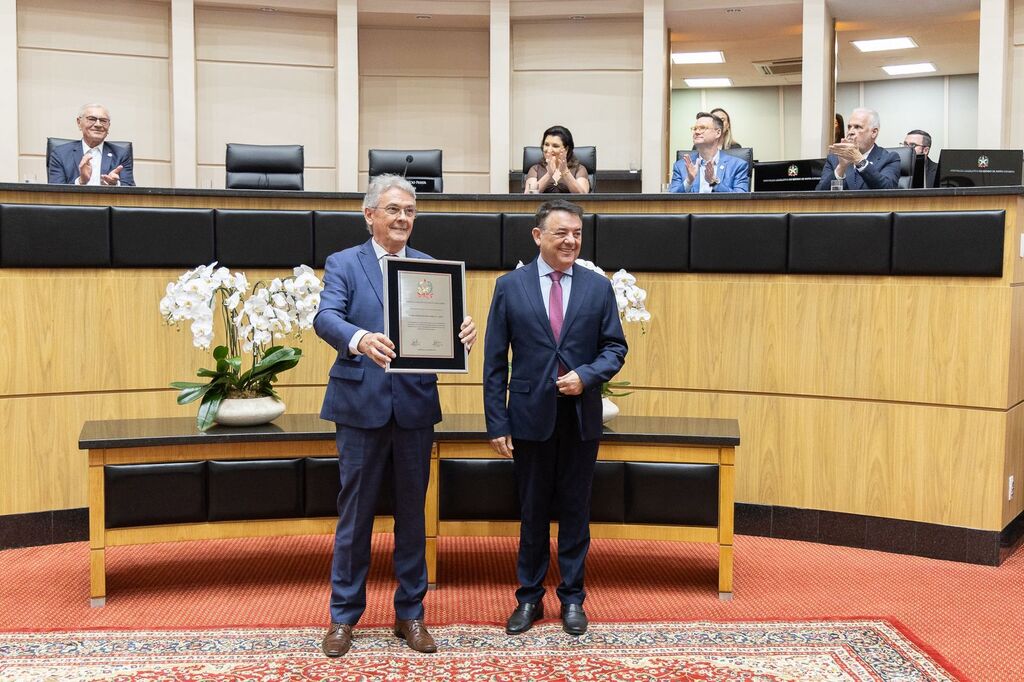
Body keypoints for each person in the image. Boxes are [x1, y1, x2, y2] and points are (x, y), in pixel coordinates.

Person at [315, 174, 477, 658]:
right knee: (355, 518)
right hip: (359, 405)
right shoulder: (344, 263)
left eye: (409, 210)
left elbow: (441, 332)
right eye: (393, 209)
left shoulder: (431, 268)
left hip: (414, 408)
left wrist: (460, 331)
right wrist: (359, 338)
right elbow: (326, 317)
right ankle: (344, 617)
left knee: (412, 516)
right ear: (370, 216)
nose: (403, 218)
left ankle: (411, 614)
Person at [483, 198, 627, 637]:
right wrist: (497, 422)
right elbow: (494, 361)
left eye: (577, 234)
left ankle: (573, 598)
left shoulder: (596, 286)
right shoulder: (511, 286)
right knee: (532, 513)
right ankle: (528, 598)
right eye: (562, 233)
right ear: (537, 236)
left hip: (580, 418)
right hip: (529, 417)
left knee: (576, 511)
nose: (571, 241)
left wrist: (587, 376)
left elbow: (615, 348)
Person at [48, 104, 135, 186]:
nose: (98, 124)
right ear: (79, 122)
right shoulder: (60, 153)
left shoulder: (121, 154)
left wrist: (115, 185)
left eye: (103, 121)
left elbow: (131, 191)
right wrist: (81, 181)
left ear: (109, 126)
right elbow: (55, 193)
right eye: (92, 119)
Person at [815, 108, 900, 191]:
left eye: (857, 127)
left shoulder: (889, 158)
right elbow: (818, 195)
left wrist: (859, 160)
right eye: (849, 127)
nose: (850, 132)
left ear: (874, 132)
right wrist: (841, 167)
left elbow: (888, 190)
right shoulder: (834, 159)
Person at [669, 112, 750, 193]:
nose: (697, 132)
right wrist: (689, 181)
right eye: (695, 128)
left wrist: (714, 183)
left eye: (702, 128)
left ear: (718, 133)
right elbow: (670, 200)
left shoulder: (737, 165)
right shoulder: (680, 166)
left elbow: (741, 200)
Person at [524, 125, 591, 194]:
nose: (549, 150)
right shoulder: (535, 169)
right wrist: (549, 174)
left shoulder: (579, 169)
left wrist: (565, 172)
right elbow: (529, 195)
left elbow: (582, 195)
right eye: (546, 144)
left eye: (555, 146)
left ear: (566, 149)